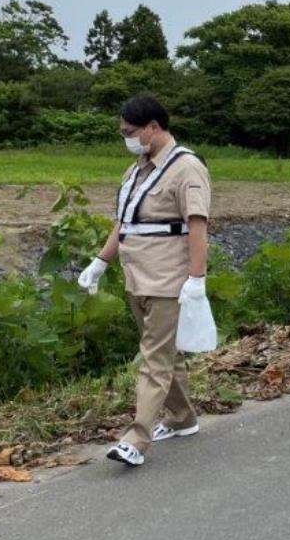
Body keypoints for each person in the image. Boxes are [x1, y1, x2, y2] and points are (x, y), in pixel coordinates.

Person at [77, 94, 211, 468]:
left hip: (168, 280)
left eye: (130, 132)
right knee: (166, 355)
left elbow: (198, 225)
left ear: (153, 127)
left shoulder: (186, 168)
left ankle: (137, 438)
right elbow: (125, 222)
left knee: (154, 360)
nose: (127, 138)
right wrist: (100, 262)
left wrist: (196, 279)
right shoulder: (137, 169)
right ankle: (183, 418)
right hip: (137, 278)